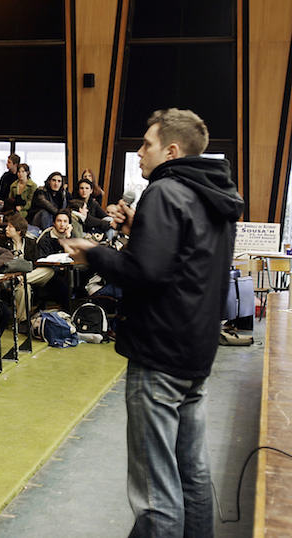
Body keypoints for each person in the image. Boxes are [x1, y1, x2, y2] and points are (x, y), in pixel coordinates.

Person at [62, 108, 243, 538]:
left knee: (156, 492)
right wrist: (140, 226)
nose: (140, 151)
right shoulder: (213, 195)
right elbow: (184, 262)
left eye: (146, 144)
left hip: (160, 353)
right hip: (195, 352)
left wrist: (96, 252)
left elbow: (148, 272)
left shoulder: (164, 192)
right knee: (192, 475)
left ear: (172, 150)